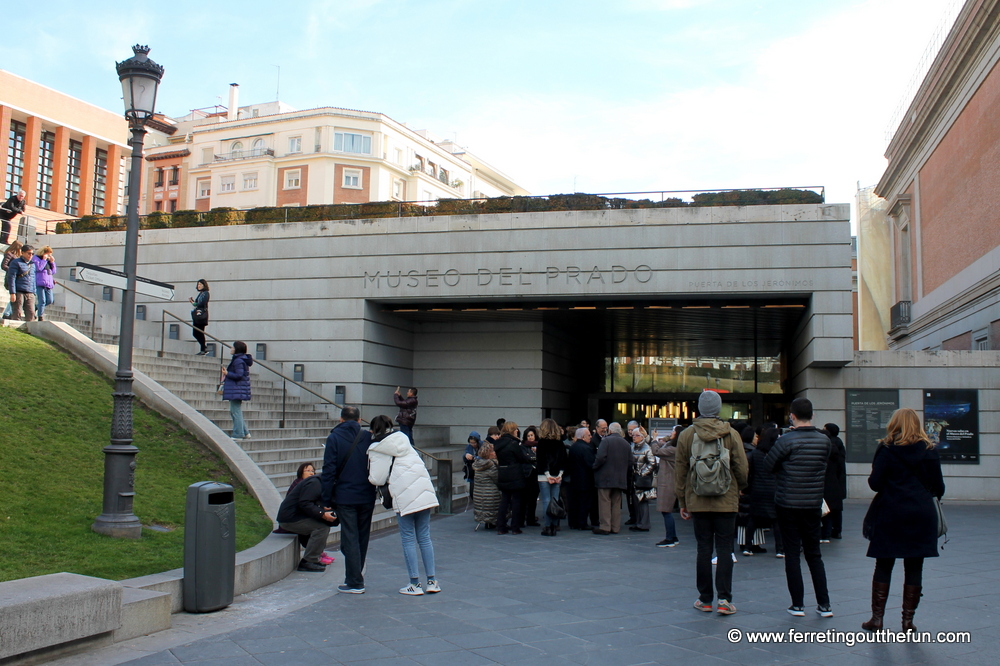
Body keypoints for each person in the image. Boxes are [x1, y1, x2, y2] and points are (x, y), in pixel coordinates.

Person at [861, 408, 944, 633]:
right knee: (915, 565)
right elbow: (939, 488)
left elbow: (875, 484)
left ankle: (877, 619)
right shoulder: (929, 451)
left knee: (884, 563)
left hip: (890, 510)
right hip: (921, 512)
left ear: (894, 424)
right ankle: (907, 622)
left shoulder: (886, 449)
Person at [675, 390, 748, 616]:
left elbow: (680, 470)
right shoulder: (731, 433)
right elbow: (741, 468)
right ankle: (724, 600)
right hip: (726, 500)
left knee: (703, 549)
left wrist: (682, 500)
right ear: (718, 408)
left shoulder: (687, 435)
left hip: (697, 499)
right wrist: (740, 488)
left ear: (699, 408)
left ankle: (705, 599)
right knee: (725, 549)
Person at [763, 397, 833, 618]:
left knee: (792, 554)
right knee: (814, 554)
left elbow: (768, 465)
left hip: (787, 502)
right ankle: (824, 604)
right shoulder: (824, 441)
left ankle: (798, 605)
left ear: (791, 415)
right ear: (812, 415)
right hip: (812, 502)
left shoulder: (786, 441)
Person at [367, 414, 441, 596]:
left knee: (408, 538)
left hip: (404, 495)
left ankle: (414, 583)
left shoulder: (377, 448)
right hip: (423, 492)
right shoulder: (403, 440)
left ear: (373, 430)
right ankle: (432, 581)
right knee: (424, 537)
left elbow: (377, 478)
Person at [321, 406, 376, 594]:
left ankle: (354, 581)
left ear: (340, 419)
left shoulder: (334, 438)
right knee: (362, 536)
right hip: (367, 494)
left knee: (350, 537)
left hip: (345, 495)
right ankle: (356, 576)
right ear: (359, 420)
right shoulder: (368, 437)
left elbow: (328, 471)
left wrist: (326, 499)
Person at [277, 461, 338, 572]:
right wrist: (322, 514)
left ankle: (314, 556)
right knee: (322, 528)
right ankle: (309, 561)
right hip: (290, 519)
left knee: (322, 525)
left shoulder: (320, 482)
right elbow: (305, 503)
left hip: (297, 516)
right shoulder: (315, 483)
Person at [749, 427, 784, 558]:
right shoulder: (777, 453)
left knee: (753, 519)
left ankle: (748, 547)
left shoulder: (756, 453)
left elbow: (750, 472)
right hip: (773, 488)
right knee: (776, 521)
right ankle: (779, 549)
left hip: (757, 489)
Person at [592, 422, 632, 535]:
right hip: (620, 478)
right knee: (616, 502)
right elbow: (630, 462)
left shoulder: (606, 441)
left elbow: (600, 458)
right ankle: (615, 527)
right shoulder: (626, 444)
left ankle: (605, 526)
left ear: (610, 431)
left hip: (605, 477)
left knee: (604, 501)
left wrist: (594, 467)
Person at [494, 421, 532, 535]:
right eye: (515, 429)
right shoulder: (514, 444)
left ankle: (501, 526)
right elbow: (521, 458)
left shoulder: (498, 443)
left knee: (504, 500)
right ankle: (515, 527)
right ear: (511, 430)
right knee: (516, 501)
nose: (517, 431)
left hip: (503, 472)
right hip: (515, 473)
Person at [535, 419, 568, 537]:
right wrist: (559, 475)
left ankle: (548, 526)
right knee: (555, 501)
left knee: (546, 501)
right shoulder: (560, 443)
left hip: (544, 475)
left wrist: (547, 475)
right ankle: (554, 525)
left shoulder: (542, 443)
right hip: (557, 475)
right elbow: (563, 459)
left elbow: (541, 460)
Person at [651, 426, 680, 547]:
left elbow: (656, 451)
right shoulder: (672, 446)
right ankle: (673, 536)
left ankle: (670, 538)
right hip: (668, 481)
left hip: (668, 482)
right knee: (666, 511)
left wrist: (653, 439)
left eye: (673, 431)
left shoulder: (673, 450)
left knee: (666, 510)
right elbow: (663, 444)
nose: (671, 432)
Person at [221, 341, 253, 440]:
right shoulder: (240, 360)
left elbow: (239, 375)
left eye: (233, 347)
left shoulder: (238, 361)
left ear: (237, 349)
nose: (231, 349)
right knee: (235, 411)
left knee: (235, 411)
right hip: (238, 389)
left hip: (237, 389)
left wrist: (227, 373)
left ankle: (238, 434)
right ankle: (245, 432)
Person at [821, 423, 847, 542]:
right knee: (836, 508)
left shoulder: (827, 445)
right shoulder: (839, 444)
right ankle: (837, 531)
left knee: (828, 509)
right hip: (837, 480)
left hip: (828, 481)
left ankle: (826, 532)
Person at [567, 427, 597, 530]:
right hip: (585, 480)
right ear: (583, 437)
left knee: (575, 503)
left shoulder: (573, 447)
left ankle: (573, 522)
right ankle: (582, 523)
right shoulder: (586, 448)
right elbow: (591, 464)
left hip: (574, 479)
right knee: (584, 503)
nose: (591, 437)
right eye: (589, 435)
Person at [629, 427, 656, 532]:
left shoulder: (647, 448)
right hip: (634, 478)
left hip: (642, 479)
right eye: (633, 435)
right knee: (636, 501)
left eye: (636, 435)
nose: (634, 437)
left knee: (643, 501)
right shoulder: (633, 447)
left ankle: (643, 524)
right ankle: (638, 522)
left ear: (642, 437)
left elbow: (652, 463)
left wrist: (641, 473)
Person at [472, 442, 500, 528]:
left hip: (478, 493)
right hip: (490, 494)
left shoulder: (477, 464)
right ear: (488, 453)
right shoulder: (491, 465)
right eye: (493, 451)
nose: (495, 453)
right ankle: (492, 522)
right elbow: (497, 479)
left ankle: (486, 522)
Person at [5, 243, 36, 322]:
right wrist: (12, 293)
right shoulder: (16, 262)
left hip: (30, 292)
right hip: (19, 291)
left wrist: (34, 292)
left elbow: (33, 278)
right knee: (17, 312)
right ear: (22, 253)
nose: (31, 255)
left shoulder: (32, 264)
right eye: (29, 253)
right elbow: (11, 278)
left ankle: (30, 330)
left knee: (31, 313)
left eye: (32, 254)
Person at [519, 425, 541, 527]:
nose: (530, 437)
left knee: (533, 498)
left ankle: (531, 519)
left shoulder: (539, 445)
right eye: (528, 436)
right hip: (527, 474)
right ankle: (522, 519)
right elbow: (526, 458)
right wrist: (534, 457)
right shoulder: (523, 446)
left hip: (536, 475)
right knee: (524, 499)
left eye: (532, 435)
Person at [31, 246, 56, 321]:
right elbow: (39, 268)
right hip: (40, 282)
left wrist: (52, 263)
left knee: (50, 300)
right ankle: (40, 316)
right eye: (48, 254)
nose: (49, 256)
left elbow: (53, 272)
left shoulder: (48, 261)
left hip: (48, 283)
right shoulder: (36, 258)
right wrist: (44, 260)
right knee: (42, 300)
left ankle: (35, 308)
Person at [2, 240, 23, 319]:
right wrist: (12, 270)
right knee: (15, 296)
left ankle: (8, 312)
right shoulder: (9, 254)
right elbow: (4, 265)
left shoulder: (18, 257)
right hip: (11, 278)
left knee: (17, 296)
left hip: (17, 279)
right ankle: (7, 313)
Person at [189, 279, 210, 355]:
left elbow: (201, 303)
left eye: (200, 284)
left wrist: (195, 303)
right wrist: (193, 302)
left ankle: (203, 348)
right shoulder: (201, 294)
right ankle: (203, 347)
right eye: (198, 284)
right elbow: (197, 304)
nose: (199, 286)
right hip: (197, 315)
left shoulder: (205, 293)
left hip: (201, 315)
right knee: (195, 333)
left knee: (200, 332)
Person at [464, 431, 482, 499]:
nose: (473, 444)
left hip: (480, 470)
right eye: (471, 443)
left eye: (474, 443)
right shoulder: (469, 447)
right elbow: (465, 455)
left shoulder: (482, 445)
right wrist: (466, 455)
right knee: (472, 491)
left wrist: (475, 458)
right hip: (472, 470)